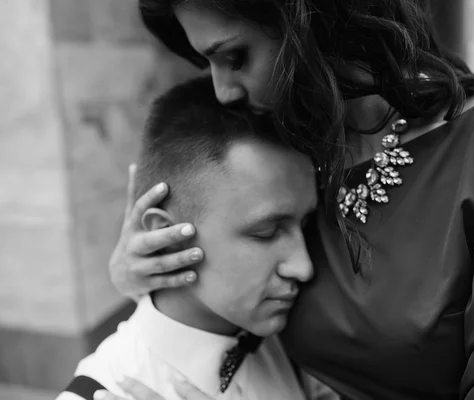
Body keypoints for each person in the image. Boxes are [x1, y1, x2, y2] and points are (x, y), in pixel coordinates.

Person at [107, 0, 474, 399]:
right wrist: (154, 285)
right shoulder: (279, 158)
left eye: (236, 57)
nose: (223, 92)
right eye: (206, 63)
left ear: (312, 18)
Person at [57, 78, 338, 400]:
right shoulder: (102, 392)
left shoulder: (295, 339)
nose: (303, 268)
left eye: (305, 226)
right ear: (169, 236)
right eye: (267, 232)